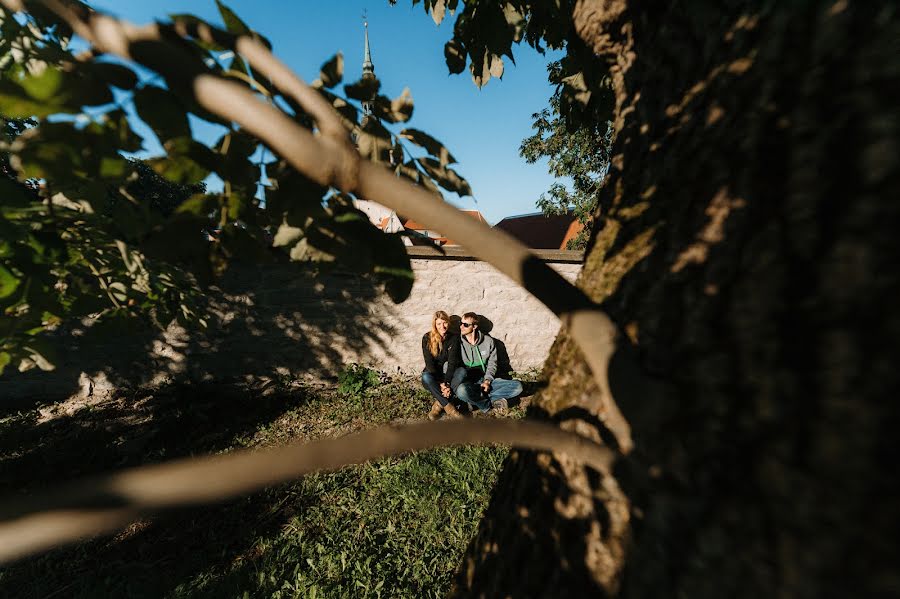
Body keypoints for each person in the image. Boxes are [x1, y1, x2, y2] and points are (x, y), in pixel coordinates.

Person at [449, 312, 523, 415]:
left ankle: (475, 401)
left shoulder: (488, 342)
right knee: (461, 391)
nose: (461, 327)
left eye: (465, 325)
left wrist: (487, 381)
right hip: (470, 383)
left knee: (518, 386)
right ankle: (488, 404)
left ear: (474, 326)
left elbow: (492, 364)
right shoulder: (458, 343)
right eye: (461, 323)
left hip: (487, 380)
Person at [421, 310, 463, 420]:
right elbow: (429, 364)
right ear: (435, 325)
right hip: (433, 377)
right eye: (439, 323)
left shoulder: (453, 338)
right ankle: (450, 408)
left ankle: (438, 405)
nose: (442, 326)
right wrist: (440, 383)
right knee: (425, 376)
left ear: (448, 323)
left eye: (445, 323)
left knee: (462, 372)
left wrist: (447, 383)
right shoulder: (427, 338)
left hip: (447, 375)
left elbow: (452, 362)